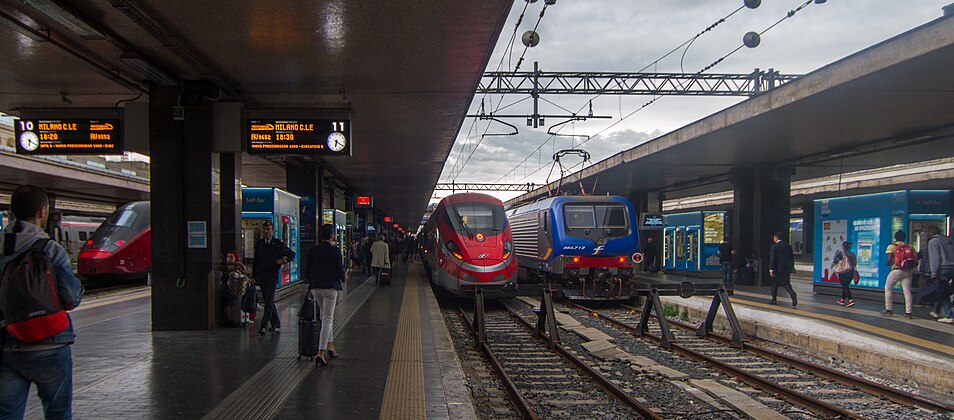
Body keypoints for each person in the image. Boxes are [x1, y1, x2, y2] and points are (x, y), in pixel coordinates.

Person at [0, 185, 84, 419]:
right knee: (57, 413)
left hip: (9, 343)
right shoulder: (51, 250)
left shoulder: (1, 248)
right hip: (51, 344)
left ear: (12, 212)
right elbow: (71, 298)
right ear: (42, 211)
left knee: (7, 414)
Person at [304, 224, 346, 366]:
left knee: (324, 316)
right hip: (330, 288)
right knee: (327, 319)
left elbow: (307, 271)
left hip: (316, 288)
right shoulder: (335, 251)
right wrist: (343, 278)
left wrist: (314, 279)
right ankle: (320, 353)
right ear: (332, 236)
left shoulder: (313, 251)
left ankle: (330, 346)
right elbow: (340, 270)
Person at [252, 220, 295, 335]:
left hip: (272, 276)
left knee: (269, 301)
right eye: (264, 229)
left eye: (268, 229)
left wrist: (283, 261)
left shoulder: (277, 244)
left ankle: (263, 326)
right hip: (262, 275)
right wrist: (254, 276)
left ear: (272, 230)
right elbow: (256, 261)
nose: (266, 231)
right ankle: (276, 322)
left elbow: (292, 254)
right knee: (268, 300)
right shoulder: (260, 244)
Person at [883, 230, 915, 318]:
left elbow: (889, 259)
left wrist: (889, 263)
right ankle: (908, 312)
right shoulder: (910, 246)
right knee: (907, 291)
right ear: (904, 238)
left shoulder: (892, 246)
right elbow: (915, 259)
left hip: (896, 270)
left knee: (888, 288)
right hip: (908, 271)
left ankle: (888, 309)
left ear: (895, 237)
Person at [926, 225, 954, 323]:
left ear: (931, 233)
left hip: (943, 268)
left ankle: (949, 315)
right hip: (952, 267)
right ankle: (936, 311)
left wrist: (933, 272)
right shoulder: (949, 241)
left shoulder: (933, 242)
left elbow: (935, 257)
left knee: (943, 291)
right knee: (941, 288)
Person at [769, 232, 797, 307]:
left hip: (777, 269)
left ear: (776, 238)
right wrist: (791, 267)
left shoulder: (774, 247)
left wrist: (771, 269)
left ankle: (774, 299)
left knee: (774, 283)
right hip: (786, 269)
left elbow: (773, 259)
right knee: (786, 283)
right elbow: (791, 258)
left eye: (774, 238)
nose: (773, 239)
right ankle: (792, 294)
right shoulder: (788, 246)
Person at [220, 251, 248, 327]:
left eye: (231, 257)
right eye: (228, 257)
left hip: (233, 289)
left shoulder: (237, 267)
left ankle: (230, 318)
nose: (229, 259)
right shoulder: (224, 267)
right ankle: (228, 318)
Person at [831, 241, 858, 307]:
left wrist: (835, 265)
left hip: (843, 272)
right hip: (851, 272)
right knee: (845, 286)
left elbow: (835, 261)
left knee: (845, 286)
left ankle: (850, 300)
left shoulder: (840, 253)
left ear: (843, 246)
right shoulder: (852, 254)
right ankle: (842, 299)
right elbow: (855, 263)